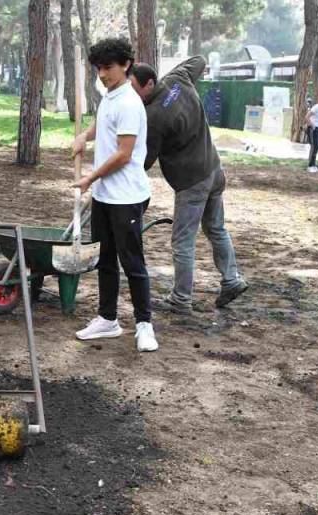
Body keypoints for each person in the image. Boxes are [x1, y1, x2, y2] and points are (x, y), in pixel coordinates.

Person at [127, 57, 247, 315]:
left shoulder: (154, 116)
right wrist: (173, 81)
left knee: (183, 241)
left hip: (192, 182)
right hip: (214, 170)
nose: (132, 95)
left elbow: (145, 160)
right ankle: (232, 278)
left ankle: (181, 299)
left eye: (135, 88)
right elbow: (200, 61)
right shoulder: (179, 79)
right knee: (216, 228)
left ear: (149, 84)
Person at [72, 37, 157, 352]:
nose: (103, 74)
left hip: (127, 196)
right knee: (104, 259)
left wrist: (90, 177)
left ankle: (144, 326)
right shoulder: (110, 96)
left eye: (108, 67)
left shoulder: (130, 102)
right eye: (98, 68)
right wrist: (84, 135)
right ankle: (107, 319)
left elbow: (123, 154)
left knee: (132, 261)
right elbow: (102, 123)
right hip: (106, 195)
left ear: (126, 65)